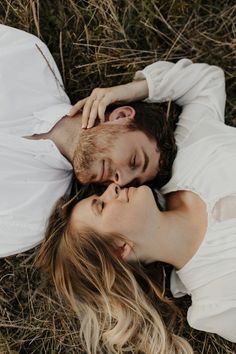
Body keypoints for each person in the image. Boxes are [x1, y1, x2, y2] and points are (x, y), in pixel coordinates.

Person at [37, 56, 236, 351]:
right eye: (101, 206)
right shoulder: (214, 300)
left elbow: (205, 81)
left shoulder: (190, 150)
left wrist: (122, 92)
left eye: (100, 194)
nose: (113, 188)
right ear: (121, 249)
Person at [0, 25, 176, 257]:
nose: (118, 180)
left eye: (129, 184)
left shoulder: (33, 217)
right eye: (134, 161)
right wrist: (136, 89)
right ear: (121, 117)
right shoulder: (26, 59)